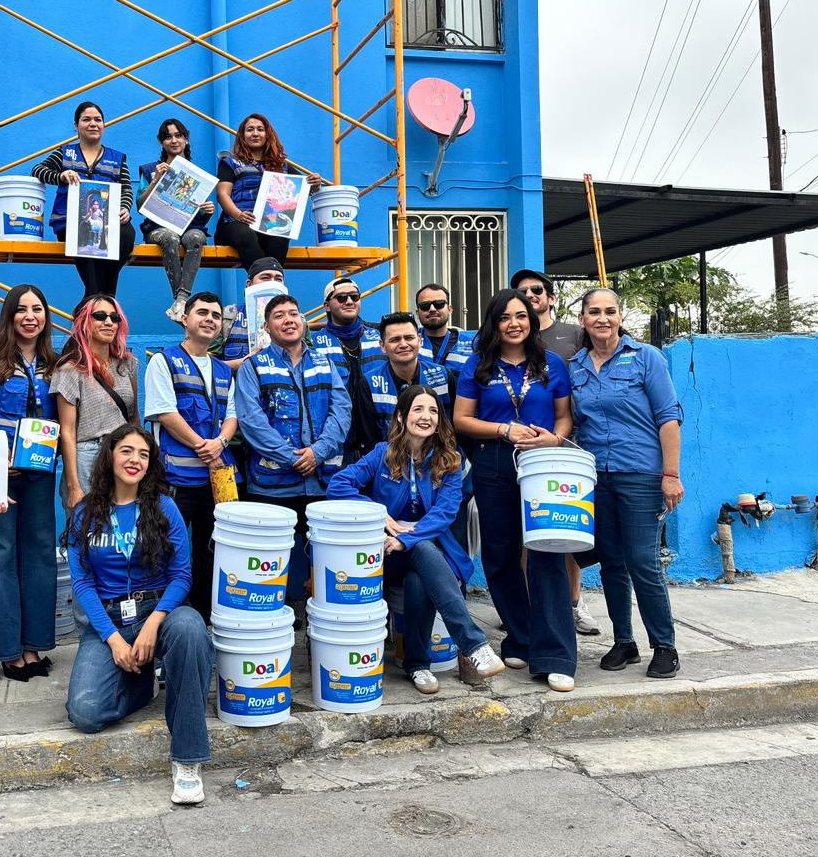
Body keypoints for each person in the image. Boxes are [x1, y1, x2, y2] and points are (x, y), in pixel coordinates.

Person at [64, 425, 214, 805]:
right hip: (110, 619)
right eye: (127, 451)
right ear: (110, 456)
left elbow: (182, 575)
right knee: (84, 713)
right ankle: (145, 684)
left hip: (159, 610)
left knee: (192, 631)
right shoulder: (85, 513)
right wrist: (114, 640)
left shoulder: (164, 507)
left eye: (144, 454)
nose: (135, 460)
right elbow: (82, 585)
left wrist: (152, 624)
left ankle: (187, 762)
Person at [329, 385, 504, 694]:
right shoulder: (381, 454)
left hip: (425, 551)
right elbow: (339, 484)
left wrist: (406, 539)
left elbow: (445, 513)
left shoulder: (448, 460)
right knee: (421, 551)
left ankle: (418, 665)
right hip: (384, 553)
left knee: (419, 575)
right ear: (401, 416)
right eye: (418, 410)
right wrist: (379, 514)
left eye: (433, 411)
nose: (426, 417)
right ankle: (474, 646)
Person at [453, 289, 578, 693]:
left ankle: (556, 654)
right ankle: (521, 637)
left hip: (543, 464)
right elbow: (461, 420)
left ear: (532, 319)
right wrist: (504, 429)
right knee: (501, 555)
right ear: (494, 323)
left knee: (547, 553)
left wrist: (553, 441)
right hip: (493, 463)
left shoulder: (552, 364)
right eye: (505, 317)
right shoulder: (478, 365)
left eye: (521, 316)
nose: (514, 323)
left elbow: (564, 417)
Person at [569, 288, 684, 680]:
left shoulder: (645, 358)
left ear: (620, 317)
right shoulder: (576, 366)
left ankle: (665, 645)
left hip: (640, 475)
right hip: (596, 478)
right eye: (594, 312)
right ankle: (624, 642)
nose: (602, 318)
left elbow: (669, 416)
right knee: (611, 562)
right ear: (582, 319)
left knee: (642, 561)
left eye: (610, 311)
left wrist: (670, 475)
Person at [0, 284, 60, 682]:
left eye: (37, 309)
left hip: (39, 472)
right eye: (21, 310)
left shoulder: (57, 361)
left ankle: (34, 644)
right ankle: (7, 649)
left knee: (39, 553)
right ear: (9, 316)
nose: (30, 316)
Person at [234, 293, 351, 598]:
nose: (288, 320)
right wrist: (292, 458)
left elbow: (341, 411)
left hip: (324, 483)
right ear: (267, 327)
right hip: (273, 486)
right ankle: (269, 622)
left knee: (327, 565)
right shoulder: (254, 367)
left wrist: (318, 452)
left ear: (303, 321)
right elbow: (250, 420)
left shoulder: (325, 364)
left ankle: (324, 624)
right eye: (279, 316)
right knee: (267, 566)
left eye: (294, 313)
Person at [512, 268, 600, 637]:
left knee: (567, 530)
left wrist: (562, 435)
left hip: (567, 444)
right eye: (521, 292)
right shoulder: (514, 334)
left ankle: (574, 604)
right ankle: (530, 606)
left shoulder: (573, 334)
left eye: (536, 290)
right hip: (522, 449)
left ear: (549, 296)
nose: (530, 295)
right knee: (527, 532)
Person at [143, 292, 239, 623]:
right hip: (175, 480)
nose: (210, 319)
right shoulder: (163, 361)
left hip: (217, 481)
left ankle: (203, 619)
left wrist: (221, 442)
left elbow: (232, 413)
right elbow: (164, 412)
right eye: (202, 313)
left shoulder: (223, 370)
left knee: (213, 552)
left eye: (215, 314)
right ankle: (165, 618)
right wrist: (206, 446)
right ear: (185, 319)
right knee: (167, 550)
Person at [33, 101, 135, 296]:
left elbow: (126, 189)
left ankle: (94, 298)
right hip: (70, 222)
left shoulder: (117, 158)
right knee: (86, 239)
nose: (93, 124)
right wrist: (60, 176)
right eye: (86, 119)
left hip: (105, 223)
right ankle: (105, 297)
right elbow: (37, 170)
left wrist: (124, 208)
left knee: (128, 234)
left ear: (104, 125)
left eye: (98, 120)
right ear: (76, 125)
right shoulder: (65, 153)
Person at [52, 294, 140, 510]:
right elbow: (68, 432)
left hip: (124, 453)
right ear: (84, 321)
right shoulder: (69, 370)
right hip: (87, 455)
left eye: (114, 317)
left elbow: (134, 416)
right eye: (100, 316)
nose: (108, 322)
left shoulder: (127, 364)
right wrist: (74, 486)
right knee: (86, 530)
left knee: (124, 525)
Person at [214, 113, 321, 270]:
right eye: (250, 130)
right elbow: (222, 194)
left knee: (281, 237)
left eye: (260, 129)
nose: (255, 133)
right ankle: (263, 282)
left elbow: (304, 188)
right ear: (243, 136)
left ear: (267, 134)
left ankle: (271, 282)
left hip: (269, 224)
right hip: (236, 223)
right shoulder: (230, 163)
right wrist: (239, 215)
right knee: (247, 235)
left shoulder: (282, 166)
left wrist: (315, 184)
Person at [137, 119, 216, 323]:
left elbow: (197, 214)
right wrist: (155, 180)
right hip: (157, 229)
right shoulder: (150, 169)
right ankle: (181, 301)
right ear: (161, 142)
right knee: (170, 238)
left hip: (189, 228)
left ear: (186, 139)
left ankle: (180, 302)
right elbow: (139, 206)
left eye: (178, 135)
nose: (173, 140)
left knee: (196, 237)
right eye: (168, 136)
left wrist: (207, 210)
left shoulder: (196, 175)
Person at [354, 311, 452, 451]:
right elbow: (368, 442)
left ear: (419, 340)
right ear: (382, 346)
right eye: (395, 340)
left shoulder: (443, 376)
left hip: (438, 463)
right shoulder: (368, 384)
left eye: (409, 337)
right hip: (388, 465)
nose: (403, 344)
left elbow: (453, 429)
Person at [313, 276, 383, 465]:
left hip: (378, 438)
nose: (350, 301)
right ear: (327, 306)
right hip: (335, 441)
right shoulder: (313, 343)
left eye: (354, 296)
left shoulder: (380, 338)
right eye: (342, 297)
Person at [212, 256, 285, 370]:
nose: (272, 283)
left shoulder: (296, 321)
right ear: (249, 284)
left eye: (278, 279)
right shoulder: (226, 316)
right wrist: (242, 364)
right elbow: (207, 364)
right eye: (265, 278)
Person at [414, 283, 474, 384]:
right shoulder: (406, 342)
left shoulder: (472, 342)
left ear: (450, 309)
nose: (432, 309)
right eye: (425, 306)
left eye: (439, 304)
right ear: (417, 312)